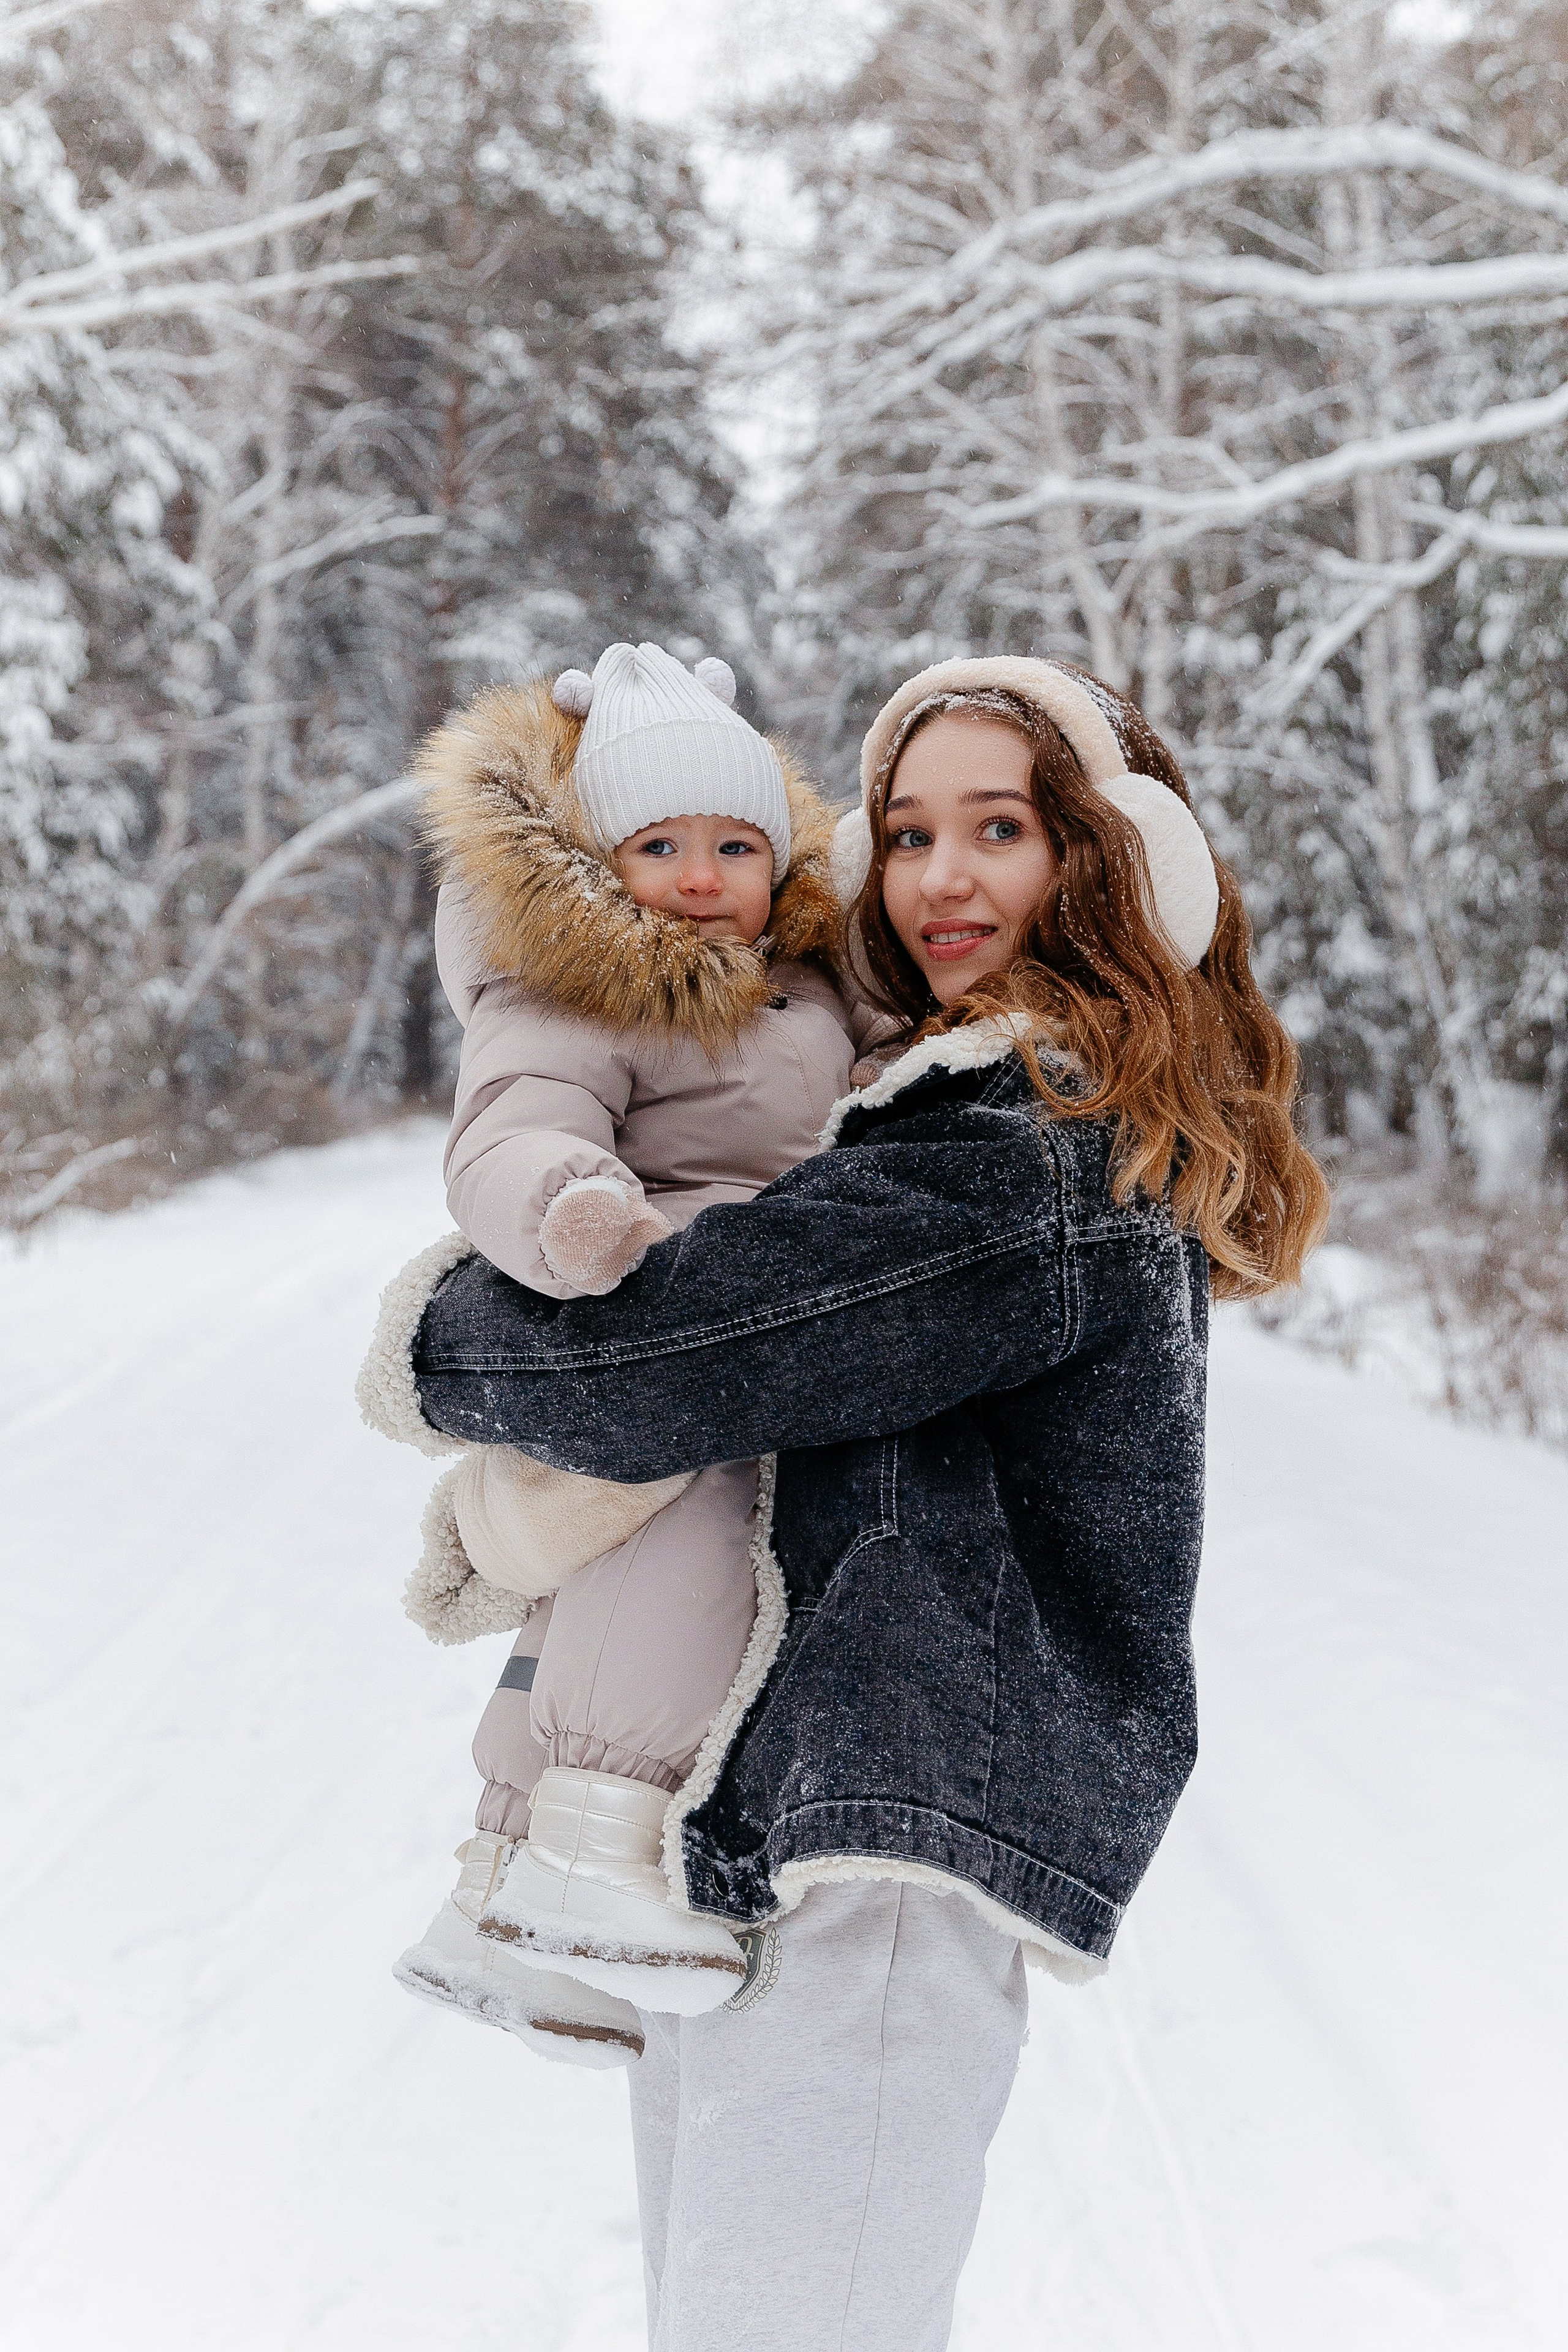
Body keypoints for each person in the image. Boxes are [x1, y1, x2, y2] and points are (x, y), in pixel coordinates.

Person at [380, 655, 1329, 2351]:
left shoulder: (1027, 1144)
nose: (940, 879)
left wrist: (433, 1335)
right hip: (773, 1824)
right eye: (904, 832)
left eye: (1001, 828)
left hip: (878, 1842)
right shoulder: (918, 1097)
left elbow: (664, 1354)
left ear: (1101, 857)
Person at [379, 640, 882, 2062]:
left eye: (735, 842)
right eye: (660, 843)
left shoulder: (804, 985)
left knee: (593, 1606)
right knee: (685, 1541)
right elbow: (512, 1128)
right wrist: (568, 1209)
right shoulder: (574, 991)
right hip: (647, 1301)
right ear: (597, 859)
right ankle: (600, 1847)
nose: (704, 871)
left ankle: (501, 1887)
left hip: (770, 1312)